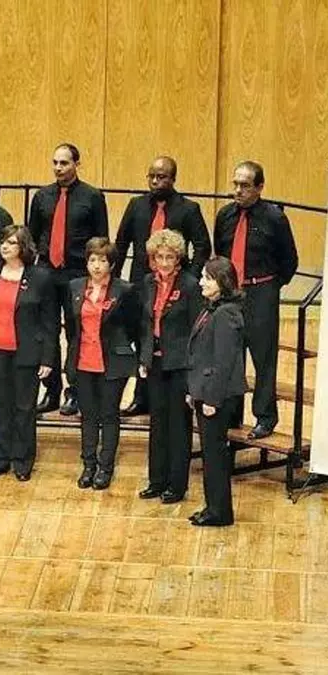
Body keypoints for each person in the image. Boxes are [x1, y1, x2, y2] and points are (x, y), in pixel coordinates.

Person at [113, 156, 210, 416]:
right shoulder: (136, 205)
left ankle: (171, 396)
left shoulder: (188, 208)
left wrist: (188, 278)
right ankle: (140, 397)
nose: (155, 181)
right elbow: (121, 243)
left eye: (162, 177)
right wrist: (116, 280)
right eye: (152, 177)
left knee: (168, 338)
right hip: (142, 284)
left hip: (174, 286)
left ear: (173, 179)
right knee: (142, 338)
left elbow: (202, 246)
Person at [212, 161, 298, 440]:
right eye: (235, 184)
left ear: (259, 187)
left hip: (261, 292)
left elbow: (289, 260)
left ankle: (265, 416)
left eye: (245, 185)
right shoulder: (225, 215)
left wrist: (270, 286)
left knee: (263, 357)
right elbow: (220, 254)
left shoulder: (274, 218)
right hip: (231, 294)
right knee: (230, 354)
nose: (238, 190)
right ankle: (232, 412)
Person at [27, 143, 108, 415]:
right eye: (55, 163)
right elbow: (32, 236)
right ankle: (50, 390)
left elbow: (101, 239)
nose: (58, 168)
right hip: (47, 273)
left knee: (76, 334)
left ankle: (75, 392)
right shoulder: (42, 197)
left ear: (76, 164)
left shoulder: (92, 197)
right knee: (46, 332)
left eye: (64, 163)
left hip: (77, 274)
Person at [0, 225, 57, 481]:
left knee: (24, 408)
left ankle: (22, 461)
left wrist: (48, 358)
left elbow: (50, 322)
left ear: (23, 247)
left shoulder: (41, 277)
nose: (5, 247)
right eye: (3, 242)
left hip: (26, 352)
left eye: (11, 243)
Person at [65, 238, 137, 490]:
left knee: (108, 414)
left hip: (112, 363)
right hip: (83, 360)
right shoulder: (75, 287)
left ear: (112, 264)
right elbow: (71, 327)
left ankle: (106, 467)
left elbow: (134, 326)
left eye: (102, 260)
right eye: (92, 260)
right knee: (88, 416)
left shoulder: (124, 290)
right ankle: (88, 465)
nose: (96, 265)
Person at [137, 229, 201, 504]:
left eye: (169, 257)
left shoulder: (189, 285)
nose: (164, 262)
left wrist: (192, 369)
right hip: (155, 361)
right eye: (159, 257)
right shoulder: (148, 282)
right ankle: (156, 481)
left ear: (178, 259)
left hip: (180, 364)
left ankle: (176, 485)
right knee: (157, 423)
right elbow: (144, 323)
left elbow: (197, 330)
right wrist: (143, 357)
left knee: (178, 426)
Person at [187, 257, 247, 527]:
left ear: (221, 282)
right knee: (210, 454)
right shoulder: (212, 308)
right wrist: (194, 391)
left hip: (217, 394)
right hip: (205, 389)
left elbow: (224, 361)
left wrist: (211, 398)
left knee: (214, 455)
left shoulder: (226, 314)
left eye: (207, 278)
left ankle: (220, 512)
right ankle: (212, 507)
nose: (201, 282)